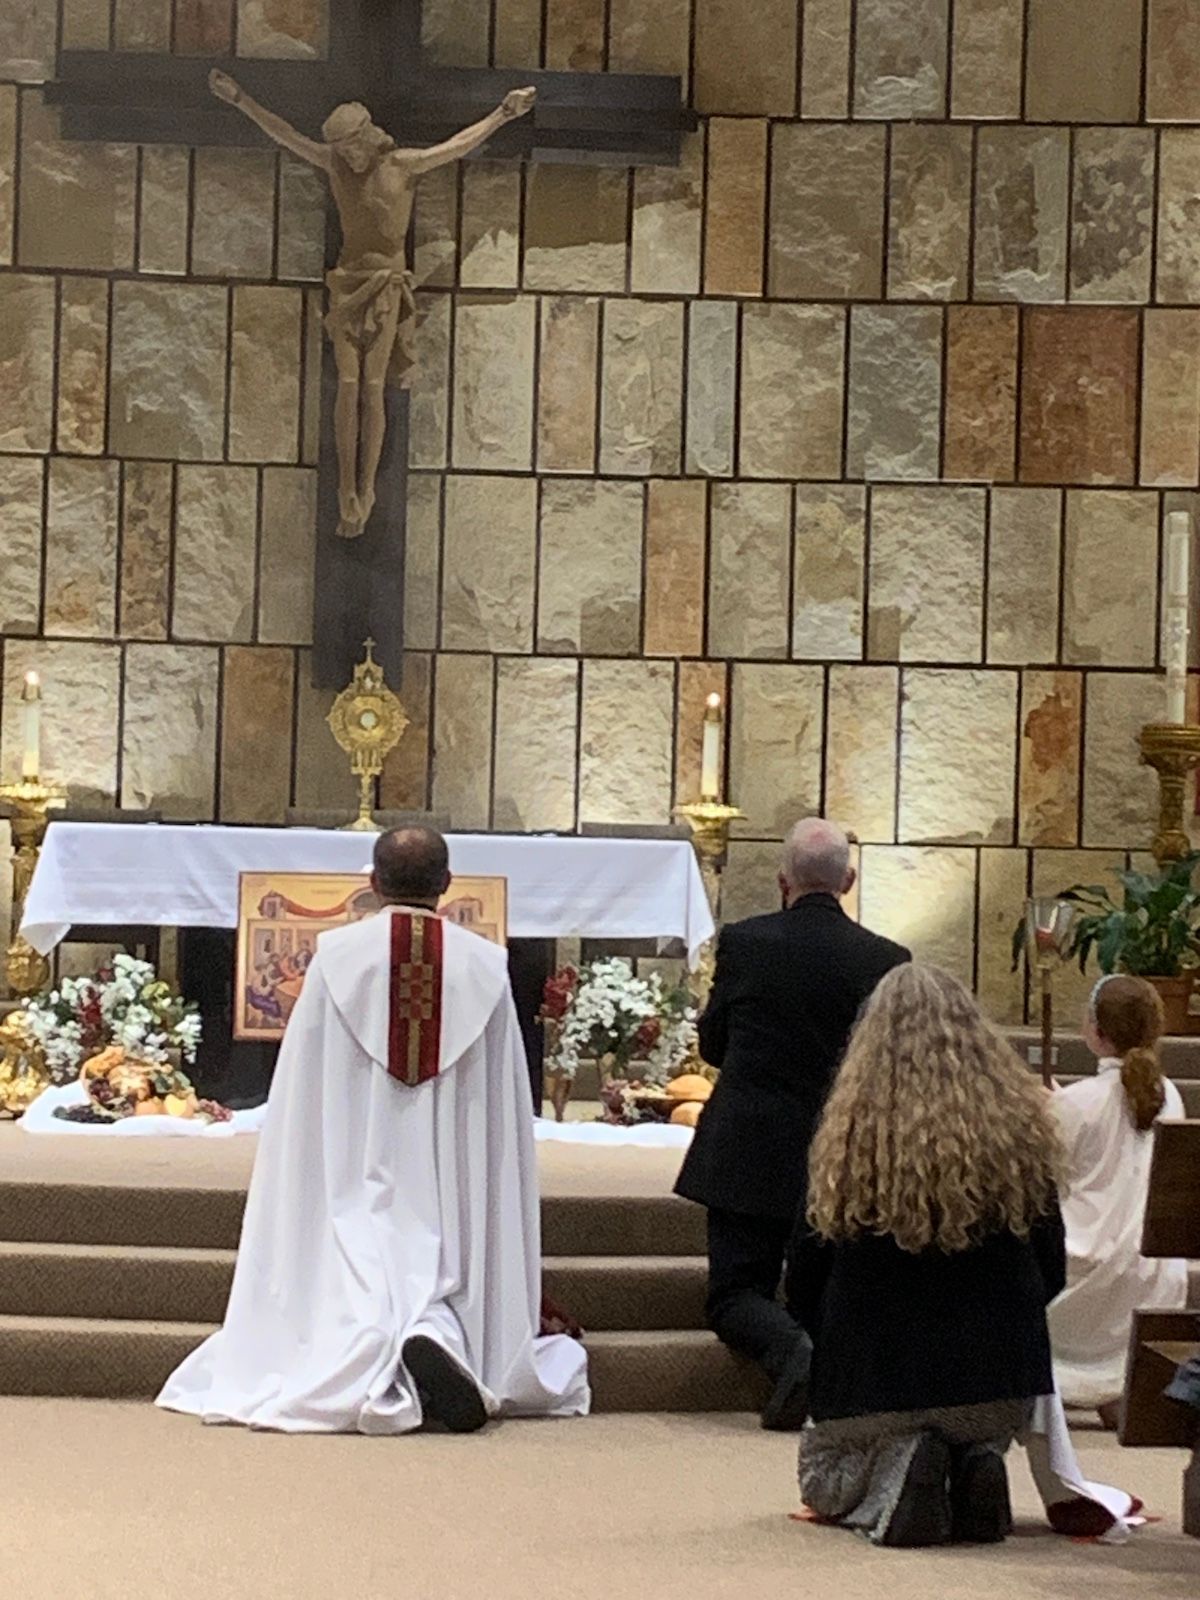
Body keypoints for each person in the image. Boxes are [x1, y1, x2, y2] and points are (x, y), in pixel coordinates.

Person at [159, 826, 589, 1434]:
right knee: (444, 1229)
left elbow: (306, 1088)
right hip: (448, 1159)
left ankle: (379, 1337)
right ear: (445, 884)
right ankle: (440, 1332)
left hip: (358, 1149)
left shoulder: (335, 957)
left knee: (355, 1229)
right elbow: (501, 1100)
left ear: (372, 882)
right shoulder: (486, 967)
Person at [791, 964, 1066, 1547]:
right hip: (997, 1388)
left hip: (875, 1386)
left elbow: (804, 1283)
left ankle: (903, 1466)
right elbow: (1052, 1269)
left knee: (821, 1477)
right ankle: (977, 1463)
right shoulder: (1020, 1136)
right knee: (970, 1426)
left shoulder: (849, 1137)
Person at [208, 69, 535, 537]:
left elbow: (458, 146)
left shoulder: (402, 166)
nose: (348, 158)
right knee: (347, 383)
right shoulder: (336, 167)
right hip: (347, 286)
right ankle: (346, 487)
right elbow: (284, 134)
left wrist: (503, 114)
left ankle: (368, 486)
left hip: (385, 288)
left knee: (373, 387)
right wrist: (241, 98)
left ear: (368, 139)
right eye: (341, 152)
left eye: (352, 149)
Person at [674, 818, 908, 1430]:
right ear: (848, 880)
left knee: (733, 1292)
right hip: (840, 1153)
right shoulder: (887, 960)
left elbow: (717, 1043)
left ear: (783, 881)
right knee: (824, 1288)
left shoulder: (747, 942)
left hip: (746, 1145)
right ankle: (815, 1352)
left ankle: (789, 1352)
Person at [1048, 974, 1189, 1425]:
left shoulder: (1076, 1103)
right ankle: (1112, 1388)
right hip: (1150, 1273)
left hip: (1083, 1273)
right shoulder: (1170, 1097)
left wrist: (1045, 1113)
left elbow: (1046, 1179)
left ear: (1095, 1031)